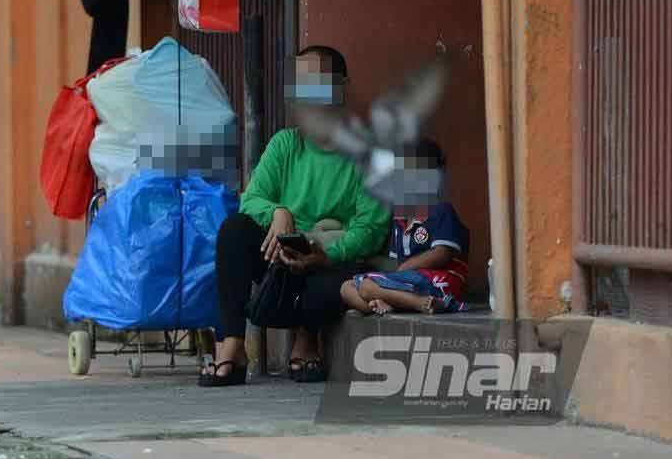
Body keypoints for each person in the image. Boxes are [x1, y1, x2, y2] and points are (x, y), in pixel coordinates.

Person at [200, 46, 391, 387]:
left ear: (340, 88)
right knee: (234, 231)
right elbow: (251, 200)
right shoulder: (286, 145)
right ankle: (232, 342)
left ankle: (307, 338)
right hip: (279, 261)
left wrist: (324, 254)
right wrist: (279, 212)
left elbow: (372, 229)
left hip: (329, 264)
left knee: (336, 281)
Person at [339, 138, 470, 316]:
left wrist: (402, 269)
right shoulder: (400, 219)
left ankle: (420, 303)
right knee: (347, 288)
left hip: (440, 282)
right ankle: (395, 303)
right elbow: (395, 264)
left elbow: (442, 254)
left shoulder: (441, 210)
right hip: (411, 284)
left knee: (367, 286)